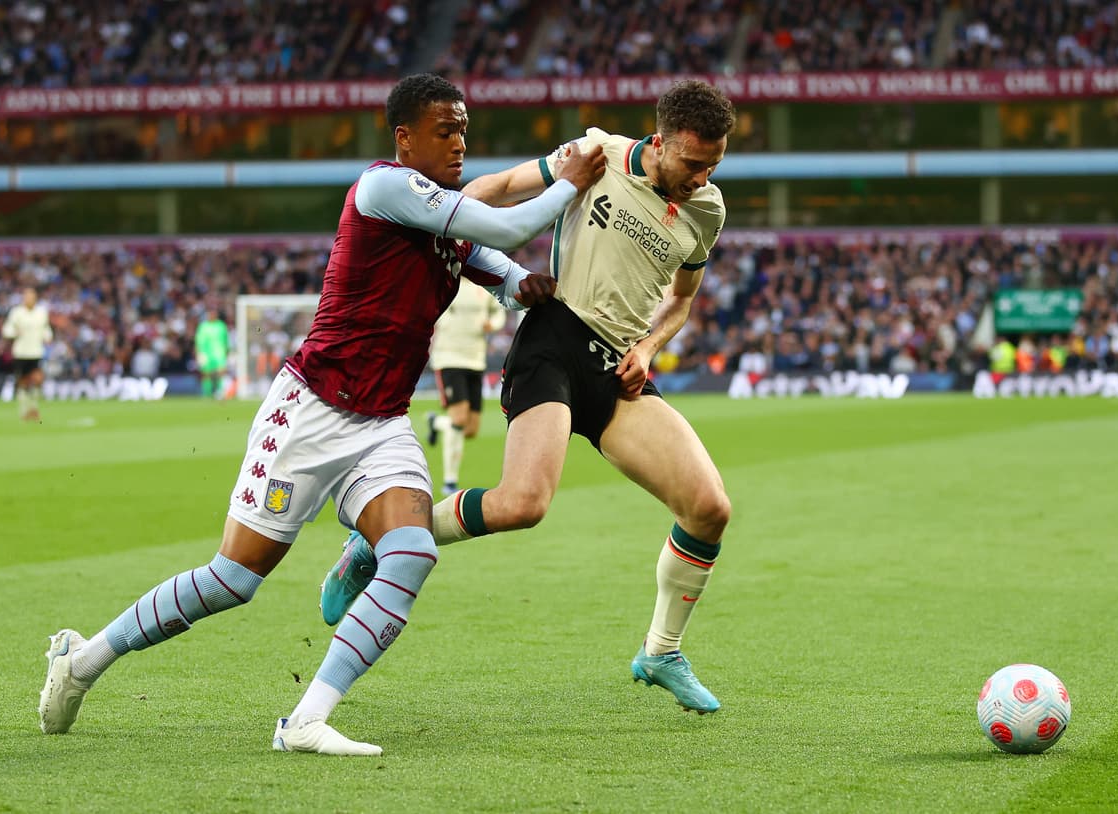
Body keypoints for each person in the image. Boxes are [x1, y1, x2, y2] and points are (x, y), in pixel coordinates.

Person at [37, 73, 606, 756]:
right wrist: (567, 181)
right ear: (404, 138)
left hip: (381, 423)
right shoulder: (384, 187)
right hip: (310, 410)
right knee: (233, 580)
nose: (460, 143)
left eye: (464, 130)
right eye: (445, 130)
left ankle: (305, 720)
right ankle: (82, 660)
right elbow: (511, 224)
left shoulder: (448, 226)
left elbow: (506, 272)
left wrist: (528, 286)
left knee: (412, 552)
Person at [322, 80, 736, 714]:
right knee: (523, 504)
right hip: (554, 342)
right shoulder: (597, 152)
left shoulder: (707, 209)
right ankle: (375, 543)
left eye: (714, 164)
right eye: (693, 163)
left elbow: (681, 299)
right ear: (659, 142)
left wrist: (650, 347)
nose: (701, 177)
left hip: (617, 368)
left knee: (709, 508)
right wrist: (443, 224)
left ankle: (661, 652)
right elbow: (500, 187)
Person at [425, 275, 506, 495]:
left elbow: (498, 312)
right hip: (449, 358)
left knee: (470, 429)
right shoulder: (445, 282)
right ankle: (450, 481)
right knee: (459, 419)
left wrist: (493, 324)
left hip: (475, 360)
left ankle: (436, 423)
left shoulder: (484, 286)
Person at [2, 286, 52, 421]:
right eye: (26, 296)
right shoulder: (16, 312)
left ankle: (34, 408)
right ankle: (24, 410)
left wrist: (48, 336)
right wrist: (14, 333)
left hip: (36, 352)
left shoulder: (41, 312)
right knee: (23, 382)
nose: (29, 299)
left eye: (31, 297)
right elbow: (7, 329)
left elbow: (46, 328)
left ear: (35, 298)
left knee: (37, 380)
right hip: (21, 352)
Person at [195, 309, 231, 398]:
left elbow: (226, 340)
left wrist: (227, 351)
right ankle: (207, 392)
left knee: (220, 372)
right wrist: (198, 353)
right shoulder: (203, 326)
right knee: (206, 373)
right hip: (206, 354)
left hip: (219, 353)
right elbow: (198, 341)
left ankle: (219, 391)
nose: (211, 315)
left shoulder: (221, 326)